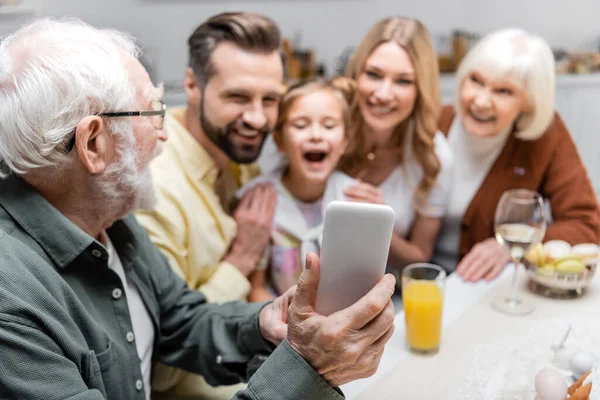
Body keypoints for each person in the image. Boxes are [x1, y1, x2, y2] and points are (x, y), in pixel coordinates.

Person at [0, 18, 396, 400]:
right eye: (153, 111)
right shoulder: (12, 305)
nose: (165, 132)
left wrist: (267, 322)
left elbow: (179, 322)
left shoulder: (111, 221)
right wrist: (307, 367)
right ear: (93, 145)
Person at [134, 12, 282, 397]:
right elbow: (160, 368)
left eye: (270, 99)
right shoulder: (155, 189)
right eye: (237, 97)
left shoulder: (239, 160)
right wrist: (241, 260)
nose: (257, 118)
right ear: (191, 85)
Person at [431, 28, 600, 281]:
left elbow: (586, 225)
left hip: (482, 288)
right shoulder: (431, 122)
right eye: (475, 80)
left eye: (503, 91)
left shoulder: (545, 135)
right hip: (413, 281)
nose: (481, 101)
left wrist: (509, 247)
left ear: (529, 102)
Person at [340, 16, 453, 276]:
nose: (383, 94)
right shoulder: (330, 127)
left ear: (420, 90)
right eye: (373, 74)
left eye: (403, 81)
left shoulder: (434, 155)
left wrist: (378, 226)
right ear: (357, 73)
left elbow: (421, 257)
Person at [238, 78, 357, 302]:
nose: (316, 135)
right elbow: (256, 290)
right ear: (279, 140)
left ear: (345, 142)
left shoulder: (355, 201)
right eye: (301, 125)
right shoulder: (260, 202)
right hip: (281, 324)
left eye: (329, 125)